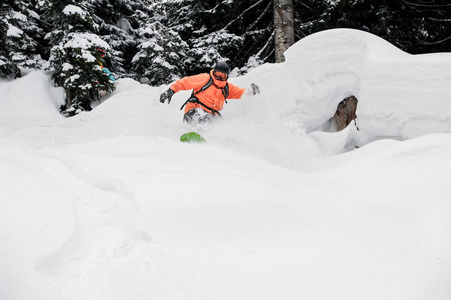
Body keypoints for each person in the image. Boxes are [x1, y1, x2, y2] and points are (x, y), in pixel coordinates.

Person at [159, 61, 260, 124]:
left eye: (222, 76)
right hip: (194, 110)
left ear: (227, 77)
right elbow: (184, 82)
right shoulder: (205, 79)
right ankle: (198, 135)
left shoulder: (226, 88)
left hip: (213, 115)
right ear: (213, 72)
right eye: (217, 74)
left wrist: (251, 91)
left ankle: (215, 143)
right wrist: (171, 91)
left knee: (219, 125)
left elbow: (241, 93)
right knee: (204, 119)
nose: (219, 77)